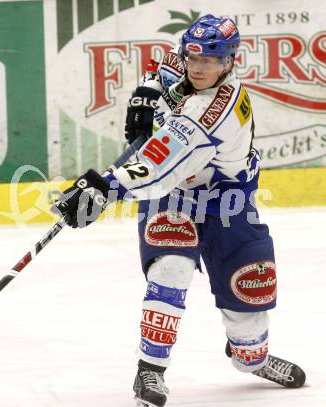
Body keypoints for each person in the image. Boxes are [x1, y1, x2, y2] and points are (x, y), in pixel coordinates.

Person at [52, 15, 306, 407]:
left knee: (250, 283)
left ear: (230, 61)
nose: (199, 66)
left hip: (226, 200)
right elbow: (164, 68)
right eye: (194, 56)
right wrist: (145, 93)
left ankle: (251, 357)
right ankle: (150, 369)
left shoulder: (215, 110)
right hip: (173, 196)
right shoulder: (187, 58)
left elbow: (159, 161)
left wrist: (103, 187)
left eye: (211, 60)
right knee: (171, 268)